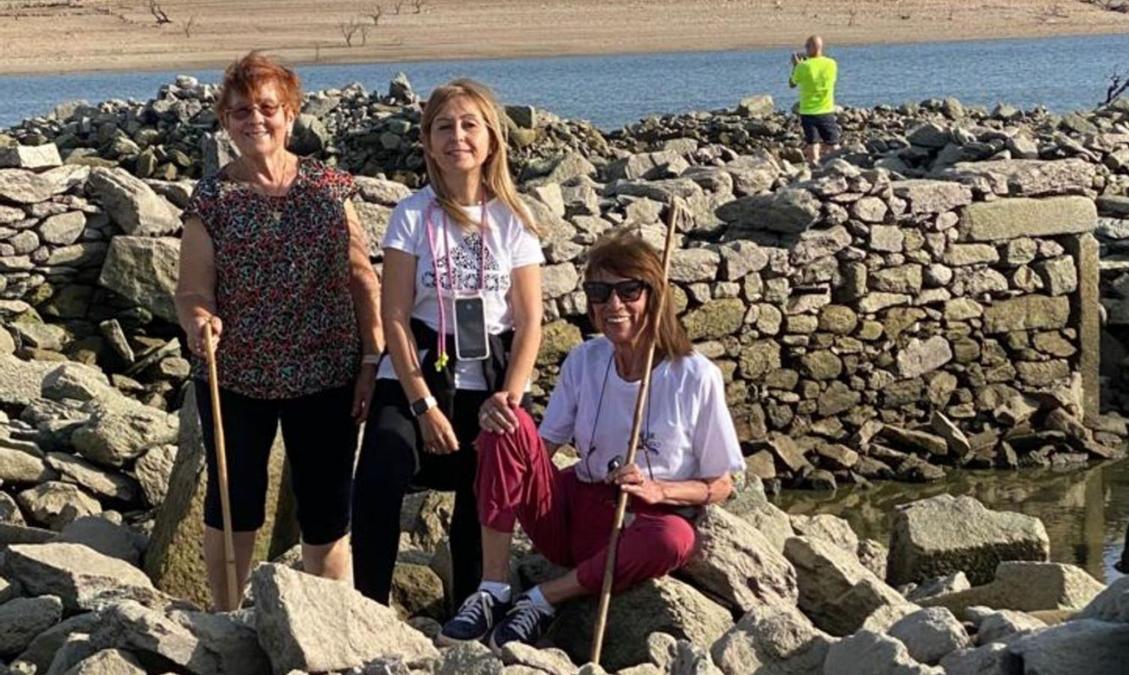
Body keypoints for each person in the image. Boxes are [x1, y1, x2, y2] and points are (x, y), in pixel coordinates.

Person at [436, 229, 744, 651]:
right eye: (599, 292)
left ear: (654, 294)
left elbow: (721, 484)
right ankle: (492, 589)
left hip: (639, 519)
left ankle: (544, 598)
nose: (613, 305)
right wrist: (499, 442)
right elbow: (540, 448)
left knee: (675, 540)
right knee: (508, 421)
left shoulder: (694, 375)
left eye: (628, 290)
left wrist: (659, 489)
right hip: (573, 510)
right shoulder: (585, 359)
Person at [174, 51, 384, 610]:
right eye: (241, 110)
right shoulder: (211, 199)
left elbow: (363, 278)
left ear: (290, 114)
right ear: (225, 121)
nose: (255, 120)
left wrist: (372, 361)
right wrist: (198, 318)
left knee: (326, 511)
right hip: (237, 374)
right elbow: (193, 288)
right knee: (233, 503)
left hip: (327, 373)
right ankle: (227, 620)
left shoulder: (330, 188)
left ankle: (325, 628)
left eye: (267, 108)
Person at [351, 79, 544, 612]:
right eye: (444, 126)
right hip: (416, 371)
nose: (456, 136)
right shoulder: (411, 214)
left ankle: (472, 611)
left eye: (468, 125)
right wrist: (423, 404)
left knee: (479, 501)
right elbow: (393, 315)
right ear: (429, 142)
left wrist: (510, 395)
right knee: (377, 479)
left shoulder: (514, 219)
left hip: (491, 374)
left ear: (491, 139)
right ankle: (368, 608)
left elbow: (530, 322)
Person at [788, 35, 841, 164]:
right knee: (833, 143)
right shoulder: (831, 63)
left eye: (806, 46)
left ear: (811, 47)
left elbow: (792, 83)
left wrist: (796, 66)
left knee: (813, 144)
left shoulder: (803, 67)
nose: (805, 49)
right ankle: (838, 164)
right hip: (826, 109)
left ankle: (814, 168)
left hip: (808, 111)